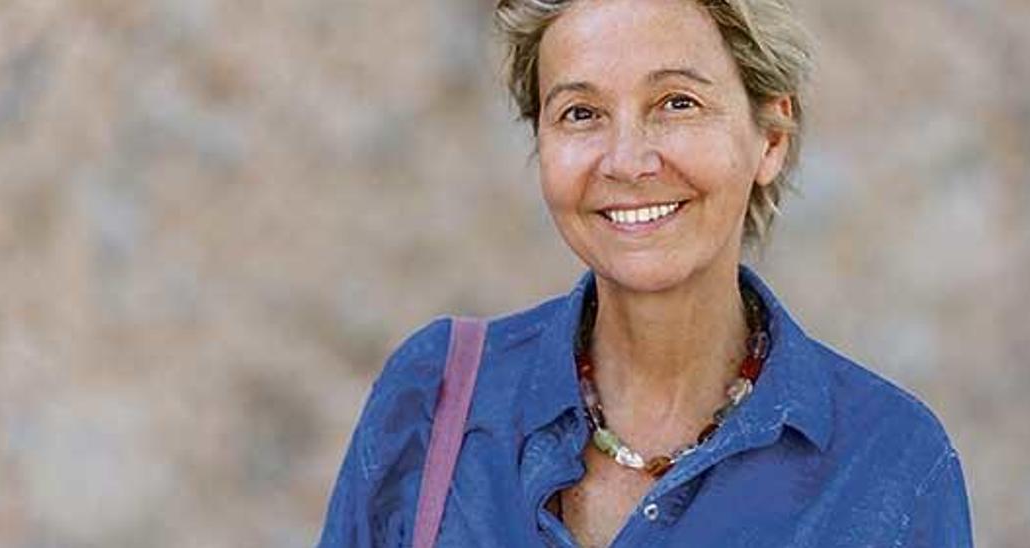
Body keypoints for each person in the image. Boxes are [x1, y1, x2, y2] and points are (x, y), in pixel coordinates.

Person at [320, 0, 973, 545]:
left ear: (769, 138)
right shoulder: (433, 399)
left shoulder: (891, 465)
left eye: (677, 102)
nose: (627, 161)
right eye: (581, 112)